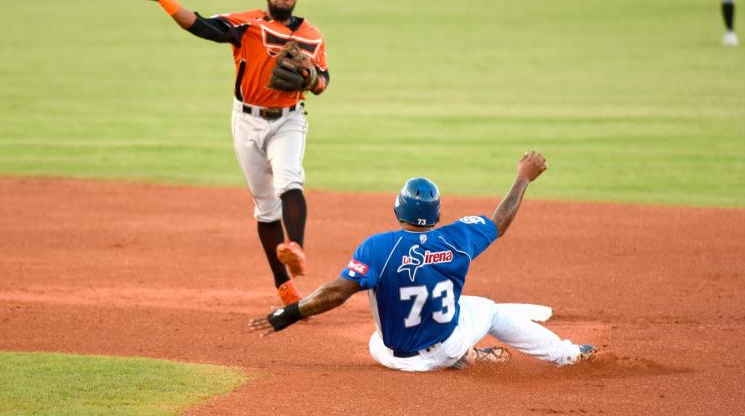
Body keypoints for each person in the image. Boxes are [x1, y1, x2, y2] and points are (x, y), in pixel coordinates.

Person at [249, 151, 598, 372]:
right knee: (488, 310)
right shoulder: (458, 237)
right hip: (441, 350)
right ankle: (565, 354)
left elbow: (336, 293)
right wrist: (523, 178)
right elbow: (499, 223)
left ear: (398, 208)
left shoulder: (377, 248)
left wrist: (290, 313)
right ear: (436, 211)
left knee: (380, 320)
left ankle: (468, 355)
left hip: (389, 357)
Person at [132, 0, 330, 305]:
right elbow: (201, 26)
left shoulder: (312, 36)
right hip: (246, 122)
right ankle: (283, 284)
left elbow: (324, 80)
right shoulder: (247, 24)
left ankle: (295, 246)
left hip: (289, 120)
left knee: (289, 179)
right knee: (265, 207)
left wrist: (314, 80)